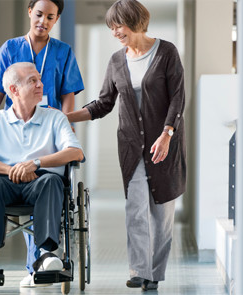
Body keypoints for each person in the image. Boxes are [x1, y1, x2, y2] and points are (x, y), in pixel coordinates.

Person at [66, 0, 186, 291]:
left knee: (161, 215)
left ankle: (154, 275)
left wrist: (167, 133)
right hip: (131, 147)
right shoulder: (117, 61)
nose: (115, 32)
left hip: (164, 146)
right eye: (111, 27)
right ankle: (139, 270)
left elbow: (178, 97)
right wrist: (64, 116)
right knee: (136, 209)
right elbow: (103, 103)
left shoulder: (166, 52)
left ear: (135, 21)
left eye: (118, 25)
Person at [0, 1, 84, 284]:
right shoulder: (11, 48)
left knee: (46, 182)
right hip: (14, 129)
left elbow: (67, 93)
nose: (43, 21)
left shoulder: (62, 52)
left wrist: (64, 124)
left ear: (56, 19)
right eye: (39, 15)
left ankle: (41, 260)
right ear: (29, 13)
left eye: (50, 17)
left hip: (46, 128)